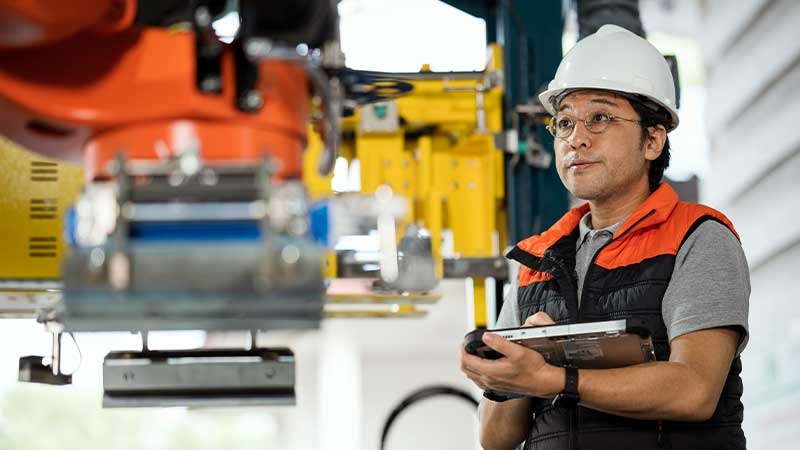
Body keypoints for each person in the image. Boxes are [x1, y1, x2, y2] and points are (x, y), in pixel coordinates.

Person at [460, 24, 749, 450]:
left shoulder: (697, 238)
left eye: (600, 117)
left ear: (652, 139)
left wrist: (553, 377)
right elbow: (495, 437)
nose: (576, 137)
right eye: (564, 122)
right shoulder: (536, 260)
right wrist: (509, 378)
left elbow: (694, 390)